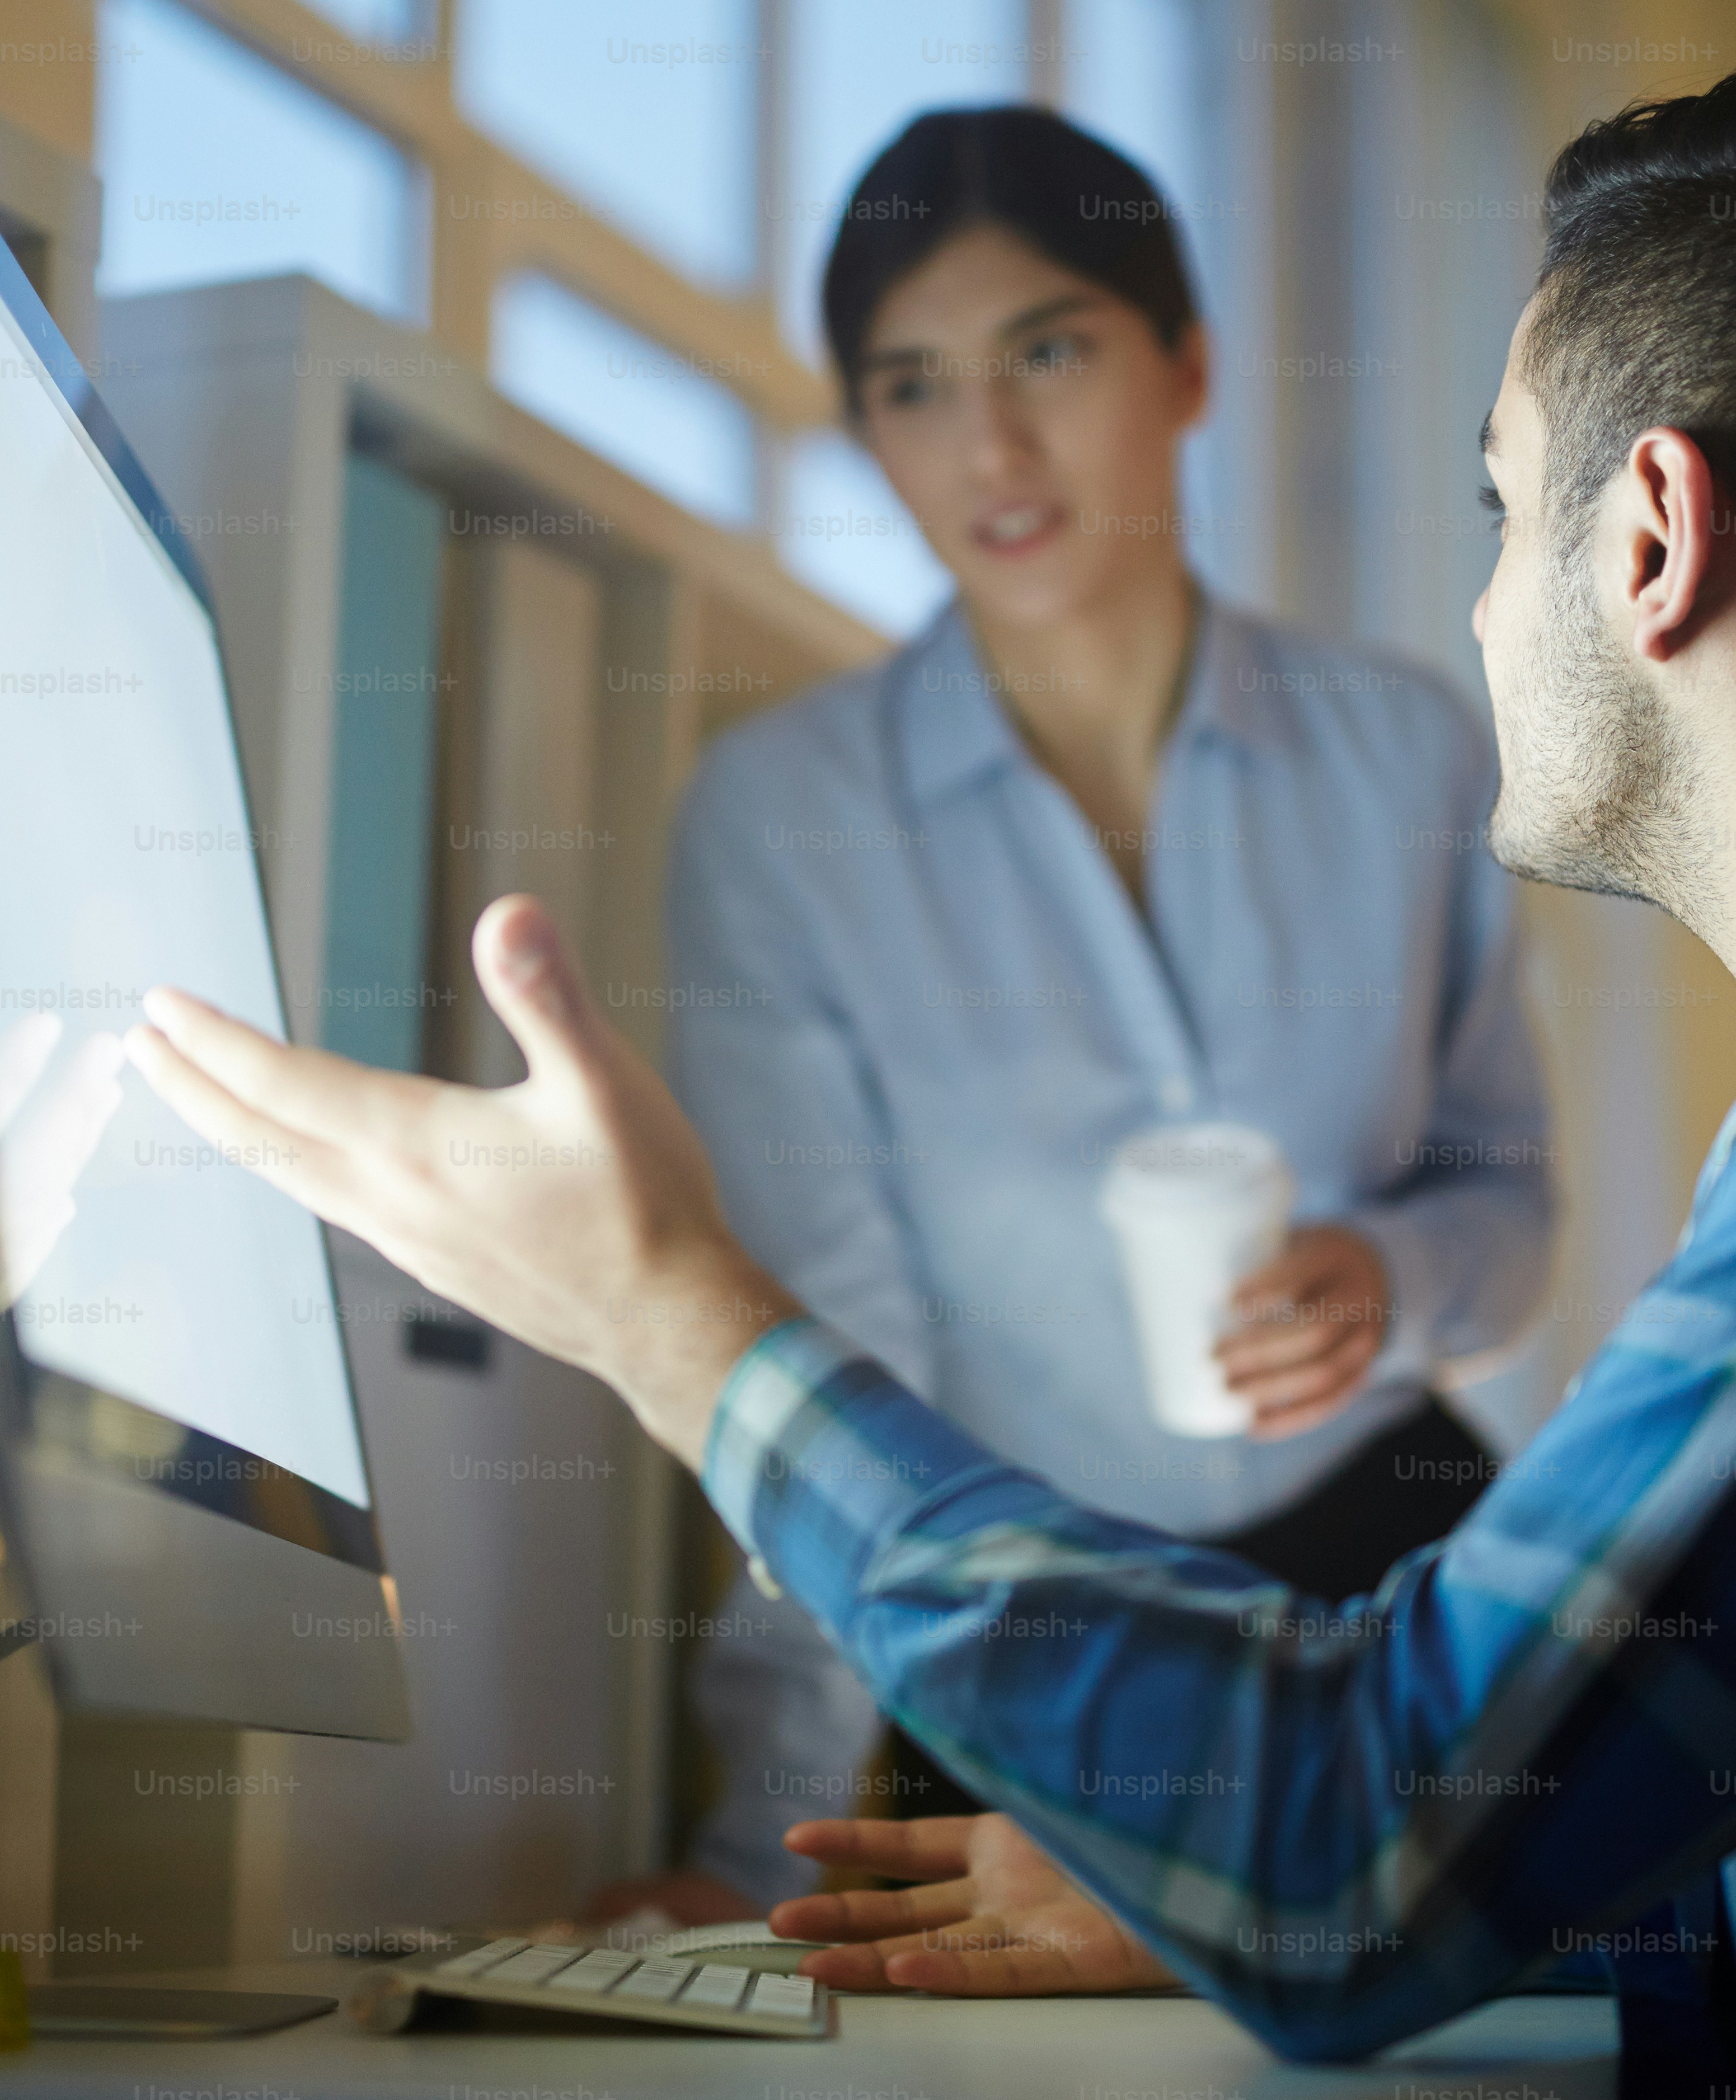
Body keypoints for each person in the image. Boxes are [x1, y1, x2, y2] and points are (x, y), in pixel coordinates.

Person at [116, 54, 1736, 2096]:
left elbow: (1361, 1849)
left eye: (1501, 508)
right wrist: (1218, 1878)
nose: (1484, 603)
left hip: (1348, 1637)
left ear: (1649, 537)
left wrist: (668, 1319)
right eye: (912, 385)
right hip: (1222, 1716)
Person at [625, 105, 1552, 1920]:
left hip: (1408, 1581)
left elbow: (1509, 1199)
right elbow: (828, 1369)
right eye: (913, 387)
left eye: (1047, 351)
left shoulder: (1409, 750)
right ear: (866, 435)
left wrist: (1392, 1279)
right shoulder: (782, 821)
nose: (991, 445)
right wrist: (753, 1848)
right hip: (1030, 1634)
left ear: (1187, 365)